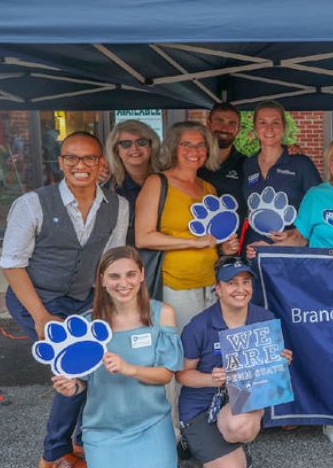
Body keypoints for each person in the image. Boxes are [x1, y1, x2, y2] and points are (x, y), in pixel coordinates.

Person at [0, 131, 128, 468]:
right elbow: (12, 264)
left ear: (101, 162)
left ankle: (84, 440)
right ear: (60, 163)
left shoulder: (118, 206)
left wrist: (109, 308)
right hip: (35, 297)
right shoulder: (32, 204)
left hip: (83, 299)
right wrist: (41, 316)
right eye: (71, 158)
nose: (80, 165)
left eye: (88, 158)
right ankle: (53, 454)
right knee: (71, 366)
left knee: (96, 366)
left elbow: (108, 263)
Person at [248, 135, 333, 445]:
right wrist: (268, 249)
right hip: (325, 287)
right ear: (327, 165)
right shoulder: (317, 196)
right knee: (330, 351)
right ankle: (330, 419)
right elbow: (300, 238)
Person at [51, 246, 182, 468]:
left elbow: (166, 374)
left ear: (142, 275)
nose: (123, 283)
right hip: (105, 429)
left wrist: (129, 368)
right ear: (101, 280)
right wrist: (70, 387)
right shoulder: (87, 325)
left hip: (151, 423)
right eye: (114, 276)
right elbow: (82, 383)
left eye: (130, 274)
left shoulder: (162, 314)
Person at [178, 257, 292, 468]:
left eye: (246, 282)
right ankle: (192, 443)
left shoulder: (264, 319)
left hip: (241, 404)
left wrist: (281, 362)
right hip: (201, 407)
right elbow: (182, 375)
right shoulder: (199, 326)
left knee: (240, 427)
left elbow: (269, 372)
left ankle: (234, 441)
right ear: (218, 289)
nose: (241, 289)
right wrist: (211, 378)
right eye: (232, 283)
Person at [134, 121, 239, 332]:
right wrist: (193, 242)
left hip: (211, 283)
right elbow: (143, 238)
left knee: (208, 349)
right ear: (173, 148)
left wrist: (224, 248)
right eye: (186, 144)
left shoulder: (208, 188)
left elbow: (210, 240)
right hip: (175, 285)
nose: (195, 151)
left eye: (201, 145)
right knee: (182, 349)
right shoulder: (157, 182)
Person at [241, 100, 321, 252]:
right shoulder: (247, 164)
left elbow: (318, 205)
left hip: (291, 251)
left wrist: (296, 232)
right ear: (255, 128)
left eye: (275, 122)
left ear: (283, 127)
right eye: (263, 122)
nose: (269, 128)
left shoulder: (301, 163)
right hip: (253, 249)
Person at [104, 120, 162, 245]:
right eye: (126, 144)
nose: (134, 148)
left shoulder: (168, 180)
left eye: (141, 142)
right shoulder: (109, 190)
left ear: (152, 146)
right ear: (116, 150)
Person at [200, 102, 248, 223]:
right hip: (195, 238)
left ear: (238, 129)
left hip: (234, 240)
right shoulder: (193, 160)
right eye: (219, 121)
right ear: (208, 123)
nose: (225, 128)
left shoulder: (247, 164)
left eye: (232, 123)